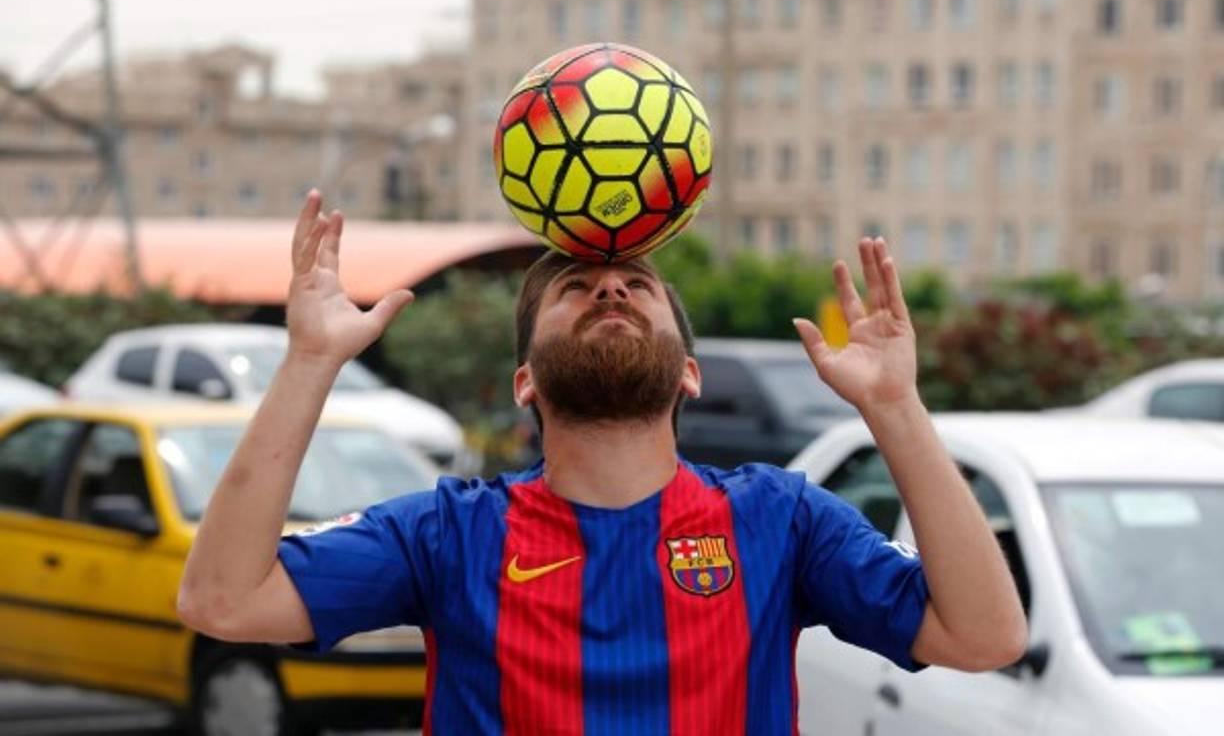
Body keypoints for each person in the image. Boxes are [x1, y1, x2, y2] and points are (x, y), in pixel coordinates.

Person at [178, 191, 1027, 734]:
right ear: (524, 380)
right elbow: (221, 598)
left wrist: (895, 407)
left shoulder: (780, 518)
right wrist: (308, 364)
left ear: (688, 371)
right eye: (575, 289)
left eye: (638, 285)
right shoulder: (450, 532)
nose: (611, 288)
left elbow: (985, 635)